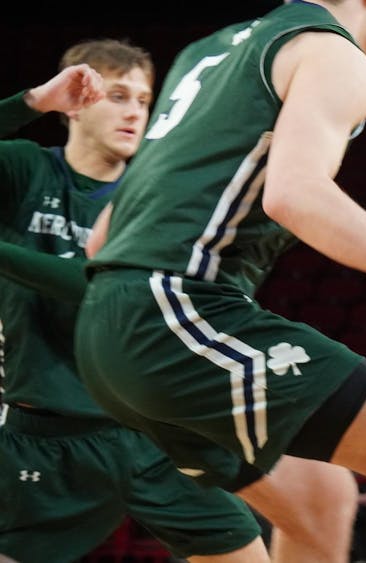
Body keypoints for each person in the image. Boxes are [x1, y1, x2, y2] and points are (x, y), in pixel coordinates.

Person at [74, 1, 366, 562]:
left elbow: (101, 238)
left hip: (107, 326)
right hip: (171, 310)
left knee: (321, 497)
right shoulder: (332, 52)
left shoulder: (207, 51)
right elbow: (293, 193)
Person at [0, 39, 266, 562]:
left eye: (144, 101)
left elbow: (98, 288)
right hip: (43, 440)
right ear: (75, 103)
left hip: (148, 431)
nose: (134, 112)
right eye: (118, 95)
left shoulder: (157, 193)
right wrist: (31, 102)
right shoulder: (26, 170)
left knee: (247, 555)